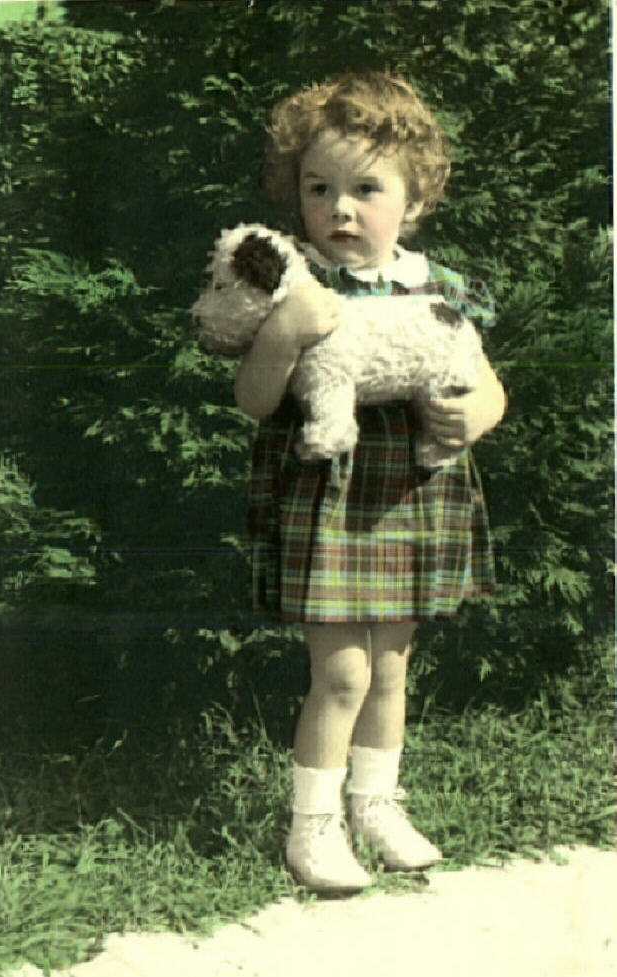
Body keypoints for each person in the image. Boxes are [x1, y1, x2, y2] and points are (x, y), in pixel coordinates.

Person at [233, 72, 507, 893]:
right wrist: (283, 333)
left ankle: (375, 804)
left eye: (365, 189)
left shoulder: (441, 289)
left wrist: (479, 417)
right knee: (343, 671)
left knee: (390, 668)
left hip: (413, 493)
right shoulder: (292, 287)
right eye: (319, 189)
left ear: (414, 201)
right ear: (297, 198)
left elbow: (488, 382)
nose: (340, 209)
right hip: (331, 498)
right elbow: (252, 399)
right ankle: (310, 828)